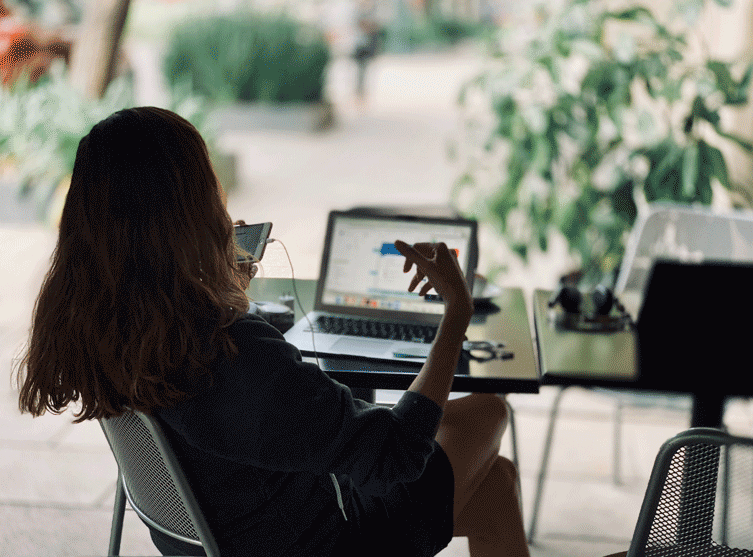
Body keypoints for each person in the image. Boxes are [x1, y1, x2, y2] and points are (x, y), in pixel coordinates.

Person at [14, 106, 529, 557]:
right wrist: (455, 314)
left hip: (236, 533)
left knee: (496, 486)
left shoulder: (106, 327)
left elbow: (257, 418)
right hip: (328, 542)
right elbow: (393, 458)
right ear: (192, 207)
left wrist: (220, 292)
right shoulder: (230, 352)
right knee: (487, 410)